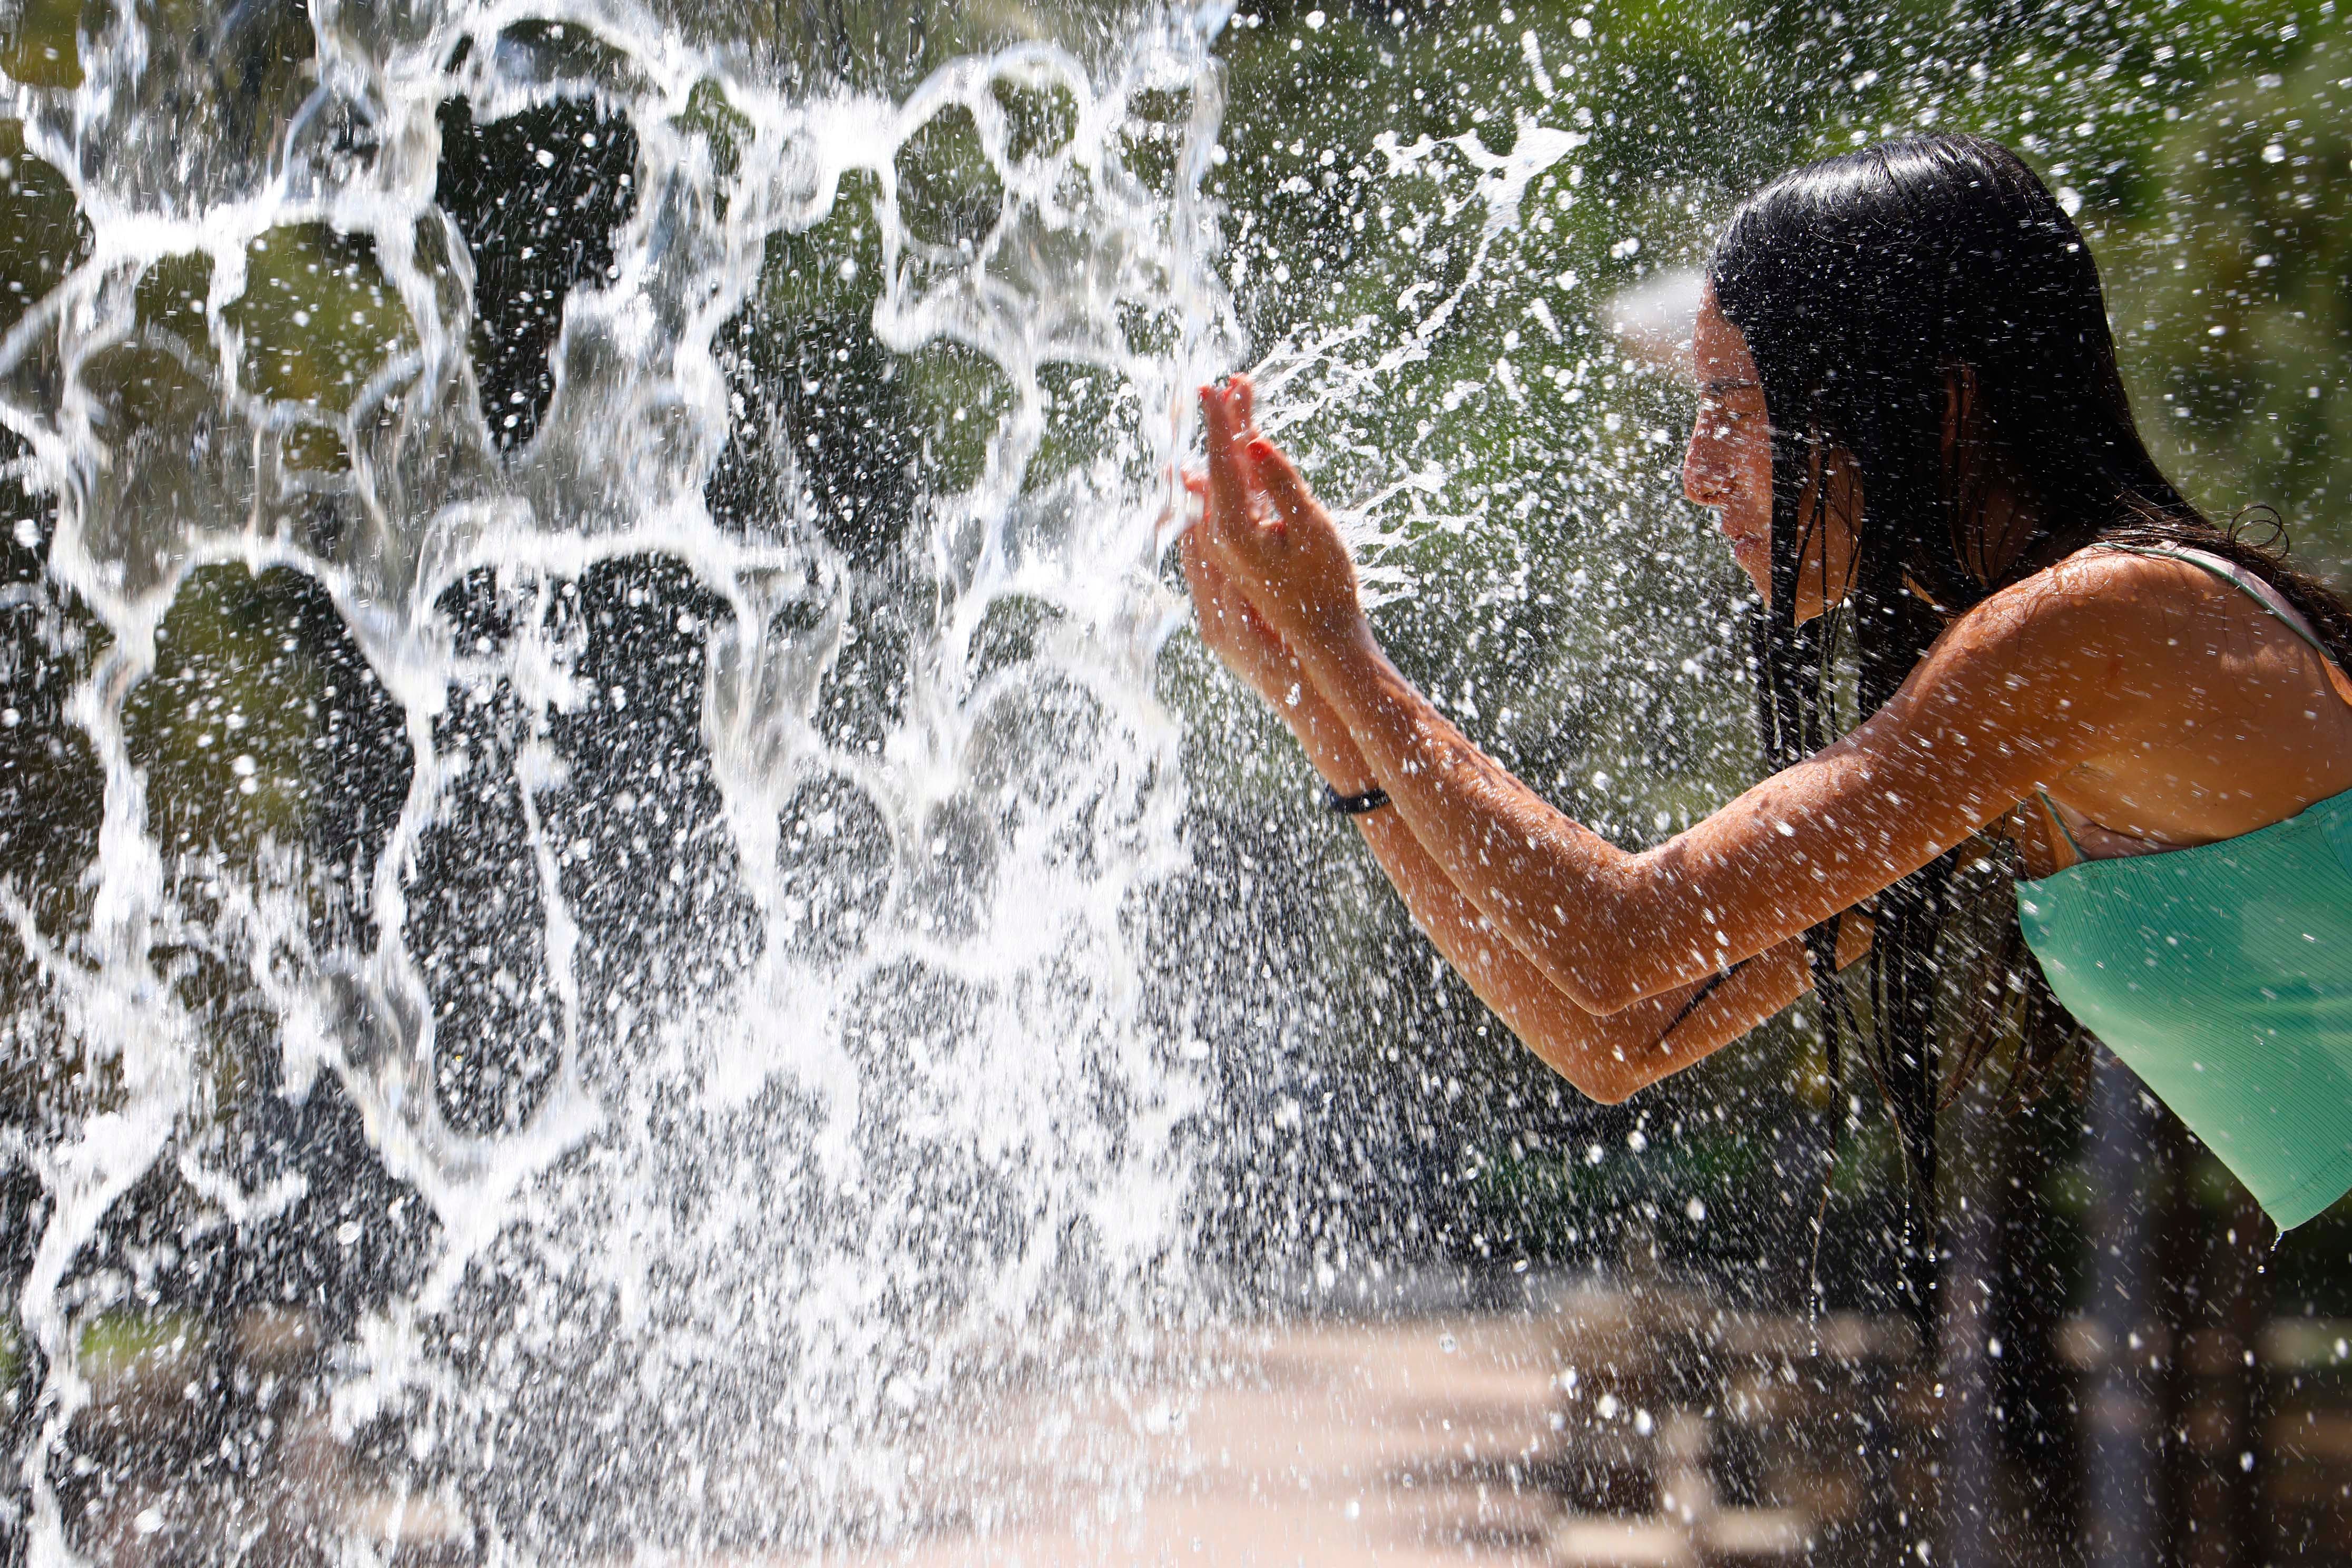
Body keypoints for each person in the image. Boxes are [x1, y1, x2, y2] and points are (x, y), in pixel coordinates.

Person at [1181, 133, 2352, 1246]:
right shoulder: (2027, 715)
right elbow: (1624, 1035)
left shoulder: (2100, 627)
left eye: (1733, 404)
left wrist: (1341, 645)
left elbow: (1617, 938)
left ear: (1937, 407)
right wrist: (1317, 703)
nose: (1696, 475)